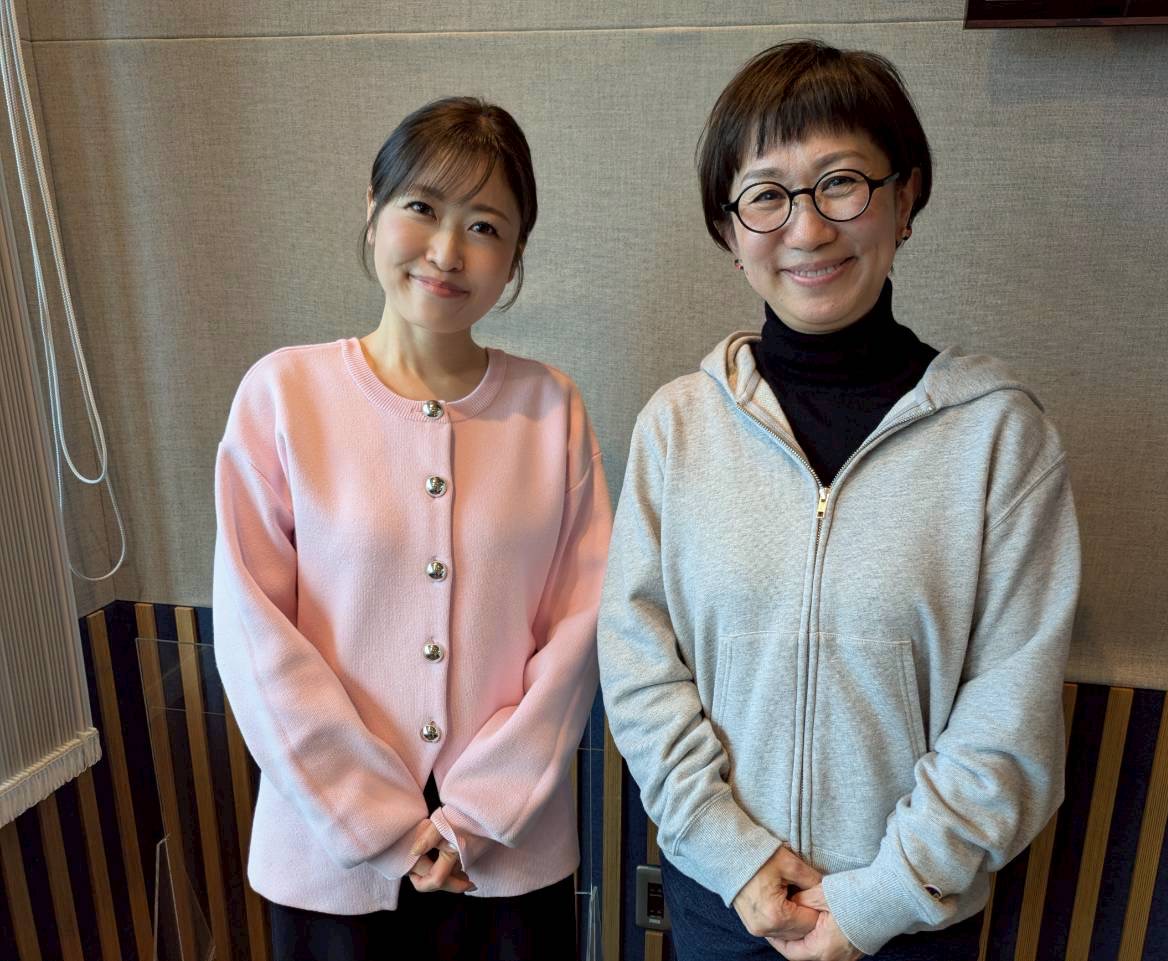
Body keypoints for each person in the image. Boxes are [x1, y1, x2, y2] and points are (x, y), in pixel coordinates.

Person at [598, 40, 1080, 960]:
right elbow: (638, 665)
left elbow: (1012, 709)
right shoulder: (677, 427)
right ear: (730, 232)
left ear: (905, 198)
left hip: (911, 919)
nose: (808, 228)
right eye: (767, 195)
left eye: (842, 184)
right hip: (723, 902)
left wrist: (878, 898)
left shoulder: (998, 438)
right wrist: (734, 854)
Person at [213, 96, 611, 960]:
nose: (446, 250)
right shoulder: (283, 395)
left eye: (485, 226)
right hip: (327, 859)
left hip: (507, 856)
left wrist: (478, 814)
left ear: (515, 256)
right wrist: (380, 819)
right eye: (422, 207)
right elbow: (254, 636)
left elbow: (579, 630)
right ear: (373, 207)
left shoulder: (553, 408)